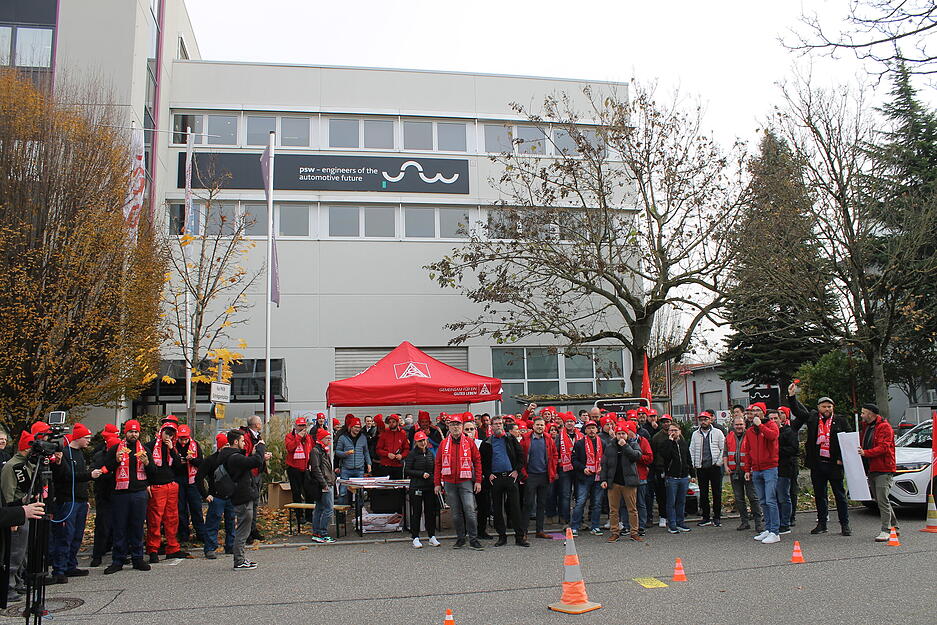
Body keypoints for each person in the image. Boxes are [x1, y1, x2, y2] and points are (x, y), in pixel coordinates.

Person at [788, 383, 853, 535]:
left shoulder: (841, 420)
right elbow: (798, 411)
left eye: (829, 407)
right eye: (824, 406)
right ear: (818, 408)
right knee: (820, 495)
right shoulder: (812, 418)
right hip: (818, 464)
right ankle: (822, 524)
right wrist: (792, 397)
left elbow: (848, 441)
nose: (827, 409)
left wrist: (842, 459)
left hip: (834, 464)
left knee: (839, 495)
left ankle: (845, 524)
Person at [48, 423, 102, 583]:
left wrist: (85, 499)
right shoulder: (64, 453)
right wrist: (89, 475)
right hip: (67, 501)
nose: (89, 441)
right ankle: (59, 569)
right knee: (65, 536)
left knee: (77, 535)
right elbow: (66, 476)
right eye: (86, 438)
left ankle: (71, 565)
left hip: (80, 500)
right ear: (78, 437)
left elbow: (80, 479)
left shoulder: (79, 454)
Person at [103, 420, 152, 574]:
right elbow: (106, 468)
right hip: (120, 493)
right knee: (120, 527)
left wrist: (148, 463)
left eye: (136, 432)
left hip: (139, 492)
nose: (133, 434)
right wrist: (116, 461)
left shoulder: (143, 449)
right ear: (125, 432)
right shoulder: (116, 448)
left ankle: (138, 558)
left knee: (137, 526)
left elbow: (154, 472)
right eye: (131, 432)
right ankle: (118, 560)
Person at [221, 429, 271, 569]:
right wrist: (260, 447)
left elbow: (250, 461)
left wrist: (255, 454)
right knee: (243, 530)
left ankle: (241, 558)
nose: (244, 443)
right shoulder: (233, 457)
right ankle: (239, 560)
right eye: (242, 441)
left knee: (244, 528)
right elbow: (254, 462)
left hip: (243, 494)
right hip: (241, 496)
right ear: (236, 442)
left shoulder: (233, 456)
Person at [433, 414, 483, 550]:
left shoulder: (469, 442)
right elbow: (437, 463)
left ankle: (473, 539)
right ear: (449, 426)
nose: (456, 427)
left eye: (458, 424)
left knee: (470, 510)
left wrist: (478, 480)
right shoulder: (444, 444)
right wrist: (437, 483)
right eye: (453, 424)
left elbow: (477, 461)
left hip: (465, 481)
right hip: (449, 482)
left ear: (462, 426)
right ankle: (460, 538)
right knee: (456, 513)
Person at [1, 431, 40, 600]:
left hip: (25, 509)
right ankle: (8, 586)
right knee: (14, 552)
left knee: (22, 552)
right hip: (16, 512)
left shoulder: (26, 464)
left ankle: (17, 581)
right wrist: (12, 517)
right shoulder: (12, 466)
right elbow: (7, 493)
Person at [481, 415, 527, 547]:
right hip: (496, 478)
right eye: (495, 424)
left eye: (500, 423)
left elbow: (521, 455)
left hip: (510, 477)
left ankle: (519, 537)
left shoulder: (510, 439)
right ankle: (502, 536)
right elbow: (482, 461)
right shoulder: (487, 443)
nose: (498, 426)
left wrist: (517, 471)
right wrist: (488, 474)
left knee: (515, 508)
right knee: (497, 509)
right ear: (491, 426)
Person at [144, 423, 188, 562]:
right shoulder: (150, 446)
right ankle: (153, 549)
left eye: (171, 434)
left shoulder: (172, 447)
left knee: (172, 519)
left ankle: (173, 548)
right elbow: (146, 468)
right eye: (166, 433)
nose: (168, 436)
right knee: (155, 520)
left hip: (171, 485)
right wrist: (147, 485)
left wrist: (172, 449)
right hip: (157, 486)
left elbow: (178, 465)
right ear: (160, 432)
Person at [858, 403, 899, 541]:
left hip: (884, 468)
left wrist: (865, 453)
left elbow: (883, 448)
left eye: (863, 413)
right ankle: (894, 526)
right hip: (872, 468)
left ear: (871, 413)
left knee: (882, 499)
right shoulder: (867, 427)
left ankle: (885, 530)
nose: (862, 415)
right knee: (880, 499)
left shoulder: (884, 427)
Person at [195, 432, 237, 559]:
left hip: (231, 496)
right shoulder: (211, 460)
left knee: (231, 522)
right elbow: (199, 477)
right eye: (226, 446)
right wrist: (205, 494)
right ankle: (210, 548)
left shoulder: (233, 458)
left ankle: (230, 546)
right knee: (213, 523)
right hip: (216, 497)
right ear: (220, 447)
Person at [600, 421, 643, 542]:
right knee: (613, 509)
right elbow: (605, 464)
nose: (620, 436)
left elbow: (637, 456)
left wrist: (625, 446)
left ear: (627, 434)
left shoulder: (632, 444)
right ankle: (615, 532)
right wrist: (603, 479)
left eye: (623, 433)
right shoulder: (610, 446)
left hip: (629, 482)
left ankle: (634, 532)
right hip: (614, 482)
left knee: (632, 509)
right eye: (618, 434)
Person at [743, 408, 781, 544]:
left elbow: (773, 436)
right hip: (756, 469)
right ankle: (768, 528)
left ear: (763, 413)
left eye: (758, 411)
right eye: (752, 412)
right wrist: (747, 469)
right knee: (763, 501)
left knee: (771, 500)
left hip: (770, 467)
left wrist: (760, 425)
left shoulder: (771, 425)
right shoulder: (750, 431)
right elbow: (748, 451)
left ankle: (775, 532)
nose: (755, 414)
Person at [520, 416, 557, 539]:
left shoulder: (548, 439)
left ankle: (539, 530)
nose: (540, 427)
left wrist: (552, 469)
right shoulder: (525, 439)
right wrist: (524, 474)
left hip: (544, 475)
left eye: (542, 425)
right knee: (528, 504)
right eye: (538, 425)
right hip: (530, 475)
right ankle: (523, 531)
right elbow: (520, 457)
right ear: (533, 426)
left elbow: (554, 455)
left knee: (542, 504)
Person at [403, 431, 441, 548]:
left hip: (429, 487)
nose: (423, 443)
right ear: (416, 442)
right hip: (416, 487)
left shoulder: (430, 454)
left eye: (424, 440)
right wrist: (421, 474)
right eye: (420, 441)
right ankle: (415, 537)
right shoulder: (412, 454)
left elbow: (435, 469)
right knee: (417, 512)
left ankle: (432, 536)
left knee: (430, 512)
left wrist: (436, 483)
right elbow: (407, 470)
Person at [689, 411, 726, 527]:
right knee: (703, 493)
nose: (703, 421)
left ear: (710, 420)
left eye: (705, 419)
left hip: (715, 467)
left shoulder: (718, 432)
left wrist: (718, 462)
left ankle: (717, 517)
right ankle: (705, 517)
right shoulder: (695, 434)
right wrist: (694, 465)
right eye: (701, 419)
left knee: (717, 493)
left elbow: (723, 448)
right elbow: (692, 449)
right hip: (701, 468)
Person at [89, 430, 119, 567]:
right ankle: (98, 554)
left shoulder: (123, 456)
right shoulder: (100, 457)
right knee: (102, 526)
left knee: (119, 526)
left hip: (120, 495)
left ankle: (119, 552)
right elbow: (96, 474)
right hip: (104, 495)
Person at [571, 420, 605, 536]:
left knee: (597, 503)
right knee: (580, 502)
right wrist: (583, 468)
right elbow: (574, 460)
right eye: (589, 428)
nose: (591, 430)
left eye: (593, 428)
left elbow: (607, 459)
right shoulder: (579, 444)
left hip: (598, 477)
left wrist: (602, 468)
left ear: (597, 429)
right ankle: (575, 526)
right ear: (585, 430)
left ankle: (595, 526)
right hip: (584, 477)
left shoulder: (603, 443)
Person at [657, 421, 692, 533]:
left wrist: (692, 473)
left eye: (675, 430)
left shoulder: (683, 443)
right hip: (671, 477)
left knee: (681, 501)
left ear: (680, 432)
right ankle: (672, 524)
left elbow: (688, 458)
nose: (673, 432)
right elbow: (665, 454)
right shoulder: (666, 443)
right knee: (671, 502)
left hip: (683, 477)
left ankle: (680, 522)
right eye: (671, 430)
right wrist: (670, 441)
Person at [174, 425, 206, 545]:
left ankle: (201, 534)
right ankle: (183, 534)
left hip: (192, 480)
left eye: (185, 439)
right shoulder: (174, 446)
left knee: (196, 508)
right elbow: (171, 463)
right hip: (179, 479)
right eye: (181, 439)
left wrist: (192, 459)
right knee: (181, 509)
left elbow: (201, 463)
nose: (183, 441)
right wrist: (179, 461)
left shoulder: (195, 445)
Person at [462, 419, 492, 539]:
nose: (469, 431)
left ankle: (481, 530)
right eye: (467, 429)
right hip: (465, 479)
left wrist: (484, 475)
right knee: (466, 506)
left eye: (471, 429)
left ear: (476, 430)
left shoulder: (483, 444)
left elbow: (487, 462)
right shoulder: (460, 445)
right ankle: (465, 531)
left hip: (481, 479)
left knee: (483, 505)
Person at [240, 416, 267, 543]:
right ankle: (248, 533)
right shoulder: (246, 436)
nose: (262, 424)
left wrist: (263, 456)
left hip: (257, 471)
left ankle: (253, 529)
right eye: (260, 422)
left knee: (255, 504)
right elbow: (245, 455)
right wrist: (258, 455)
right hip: (251, 473)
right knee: (249, 505)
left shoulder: (257, 436)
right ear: (256, 425)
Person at [772, 409, 799, 535]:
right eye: (770, 419)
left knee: (784, 496)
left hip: (784, 469)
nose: (773, 421)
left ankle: (785, 523)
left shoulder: (789, 432)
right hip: (771, 469)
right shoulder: (767, 433)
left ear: (780, 419)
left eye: (775, 418)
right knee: (774, 498)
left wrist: (777, 450)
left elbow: (794, 449)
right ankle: (776, 522)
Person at [308, 428, 336, 543]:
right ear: (321, 438)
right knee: (328, 509)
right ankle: (322, 533)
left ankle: (316, 532)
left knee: (319, 508)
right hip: (324, 483)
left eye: (329, 438)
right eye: (327, 438)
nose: (329, 440)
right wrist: (324, 484)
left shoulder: (323, 450)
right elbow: (316, 469)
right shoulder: (316, 451)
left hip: (326, 482)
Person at [555, 413, 582, 527]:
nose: (570, 423)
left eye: (572, 421)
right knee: (565, 494)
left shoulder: (580, 435)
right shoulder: (559, 436)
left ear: (574, 423)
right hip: (564, 469)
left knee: (578, 494)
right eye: (567, 422)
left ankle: (578, 519)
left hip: (578, 469)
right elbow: (555, 453)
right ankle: (565, 519)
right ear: (564, 423)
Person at [284, 416, 313, 518]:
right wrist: (299, 437)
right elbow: (290, 448)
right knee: (296, 493)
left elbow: (311, 450)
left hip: (305, 468)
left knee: (309, 492)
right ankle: (299, 516)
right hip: (294, 468)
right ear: (295, 426)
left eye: (303, 425)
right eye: (300, 426)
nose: (302, 428)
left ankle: (309, 515)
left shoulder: (308, 437)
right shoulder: (289, 436)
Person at [650, 414, 674, 528]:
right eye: (664, 422)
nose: (666, 424)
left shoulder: (677, 435)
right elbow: (653, 454)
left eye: (668, 421)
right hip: (660, 469)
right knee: (661, 494)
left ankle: (673, 516)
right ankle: (663, 516)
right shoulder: (656, 437)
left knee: (673, 494)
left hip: (674, 469)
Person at [375, 414, 409, 480]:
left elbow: (406, 449)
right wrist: (387, 454)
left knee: (398, 487)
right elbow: (378, 449)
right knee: (386, 487)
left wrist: (402, 455)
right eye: (390, 422)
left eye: (393, 422)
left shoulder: (402, 433)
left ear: (397, 422)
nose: (391, 424)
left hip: (398, 465)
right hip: (386, 465)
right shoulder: (384, 433)